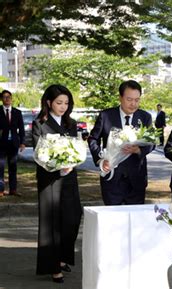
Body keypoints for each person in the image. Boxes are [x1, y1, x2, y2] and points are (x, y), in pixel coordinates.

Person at [32, 85, 82, 283]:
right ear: (48, 102)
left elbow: (76, 147)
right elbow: (38, 152)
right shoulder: (39, 123)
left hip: (69, 177)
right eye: (59, 103)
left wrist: (72, 161)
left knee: (72, 217)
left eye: (66, 103)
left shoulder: (71, 123)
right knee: (52, 222)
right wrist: (56, 165)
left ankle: (63, 257)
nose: (63, 107)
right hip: (49, 178)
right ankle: (53, 267)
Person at [88, 80, 153, 205]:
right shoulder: (106, 115)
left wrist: (139, 150)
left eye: (137, 100)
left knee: (134, 219)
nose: (133, 104)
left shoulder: (145, 117)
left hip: (136, 178)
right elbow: (93, 139)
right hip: (112, 177)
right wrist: (100, 160)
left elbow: (152, 142)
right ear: (120, 98)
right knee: (113, 219)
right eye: (129, 99)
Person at [0, 90, 25, 197]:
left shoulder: (17, 112)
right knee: (0, 167)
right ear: (1, 99)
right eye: (4, 97)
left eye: (9, 97)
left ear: (12, 98)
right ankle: (0, 190)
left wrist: (22, 142)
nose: (7, 99)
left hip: (14, 143)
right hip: (1, 143)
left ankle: (13, 190)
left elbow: (21, 129)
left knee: (13, 167)